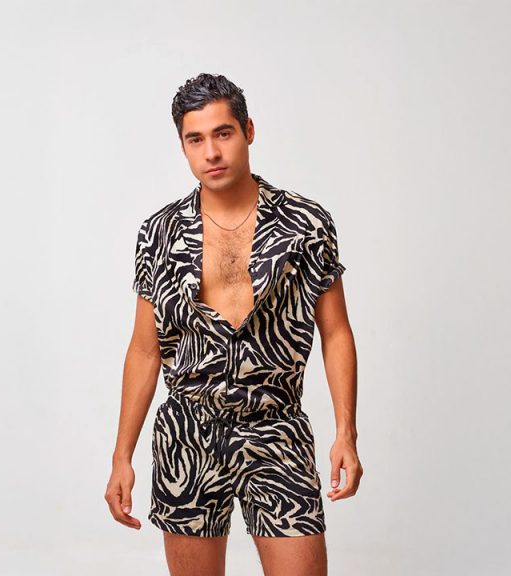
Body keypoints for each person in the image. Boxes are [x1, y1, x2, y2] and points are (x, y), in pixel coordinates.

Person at [105, 72, 362, 576]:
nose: (211, 152)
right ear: (183, 147)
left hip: (277, 427)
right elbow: (144, 350)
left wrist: (345, 433)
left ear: (248, 130)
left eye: (223, 133)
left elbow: (336, 332)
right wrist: (121, 457)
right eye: (195, 139)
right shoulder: (159, 233)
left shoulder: (306, 224)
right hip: (188, 433)